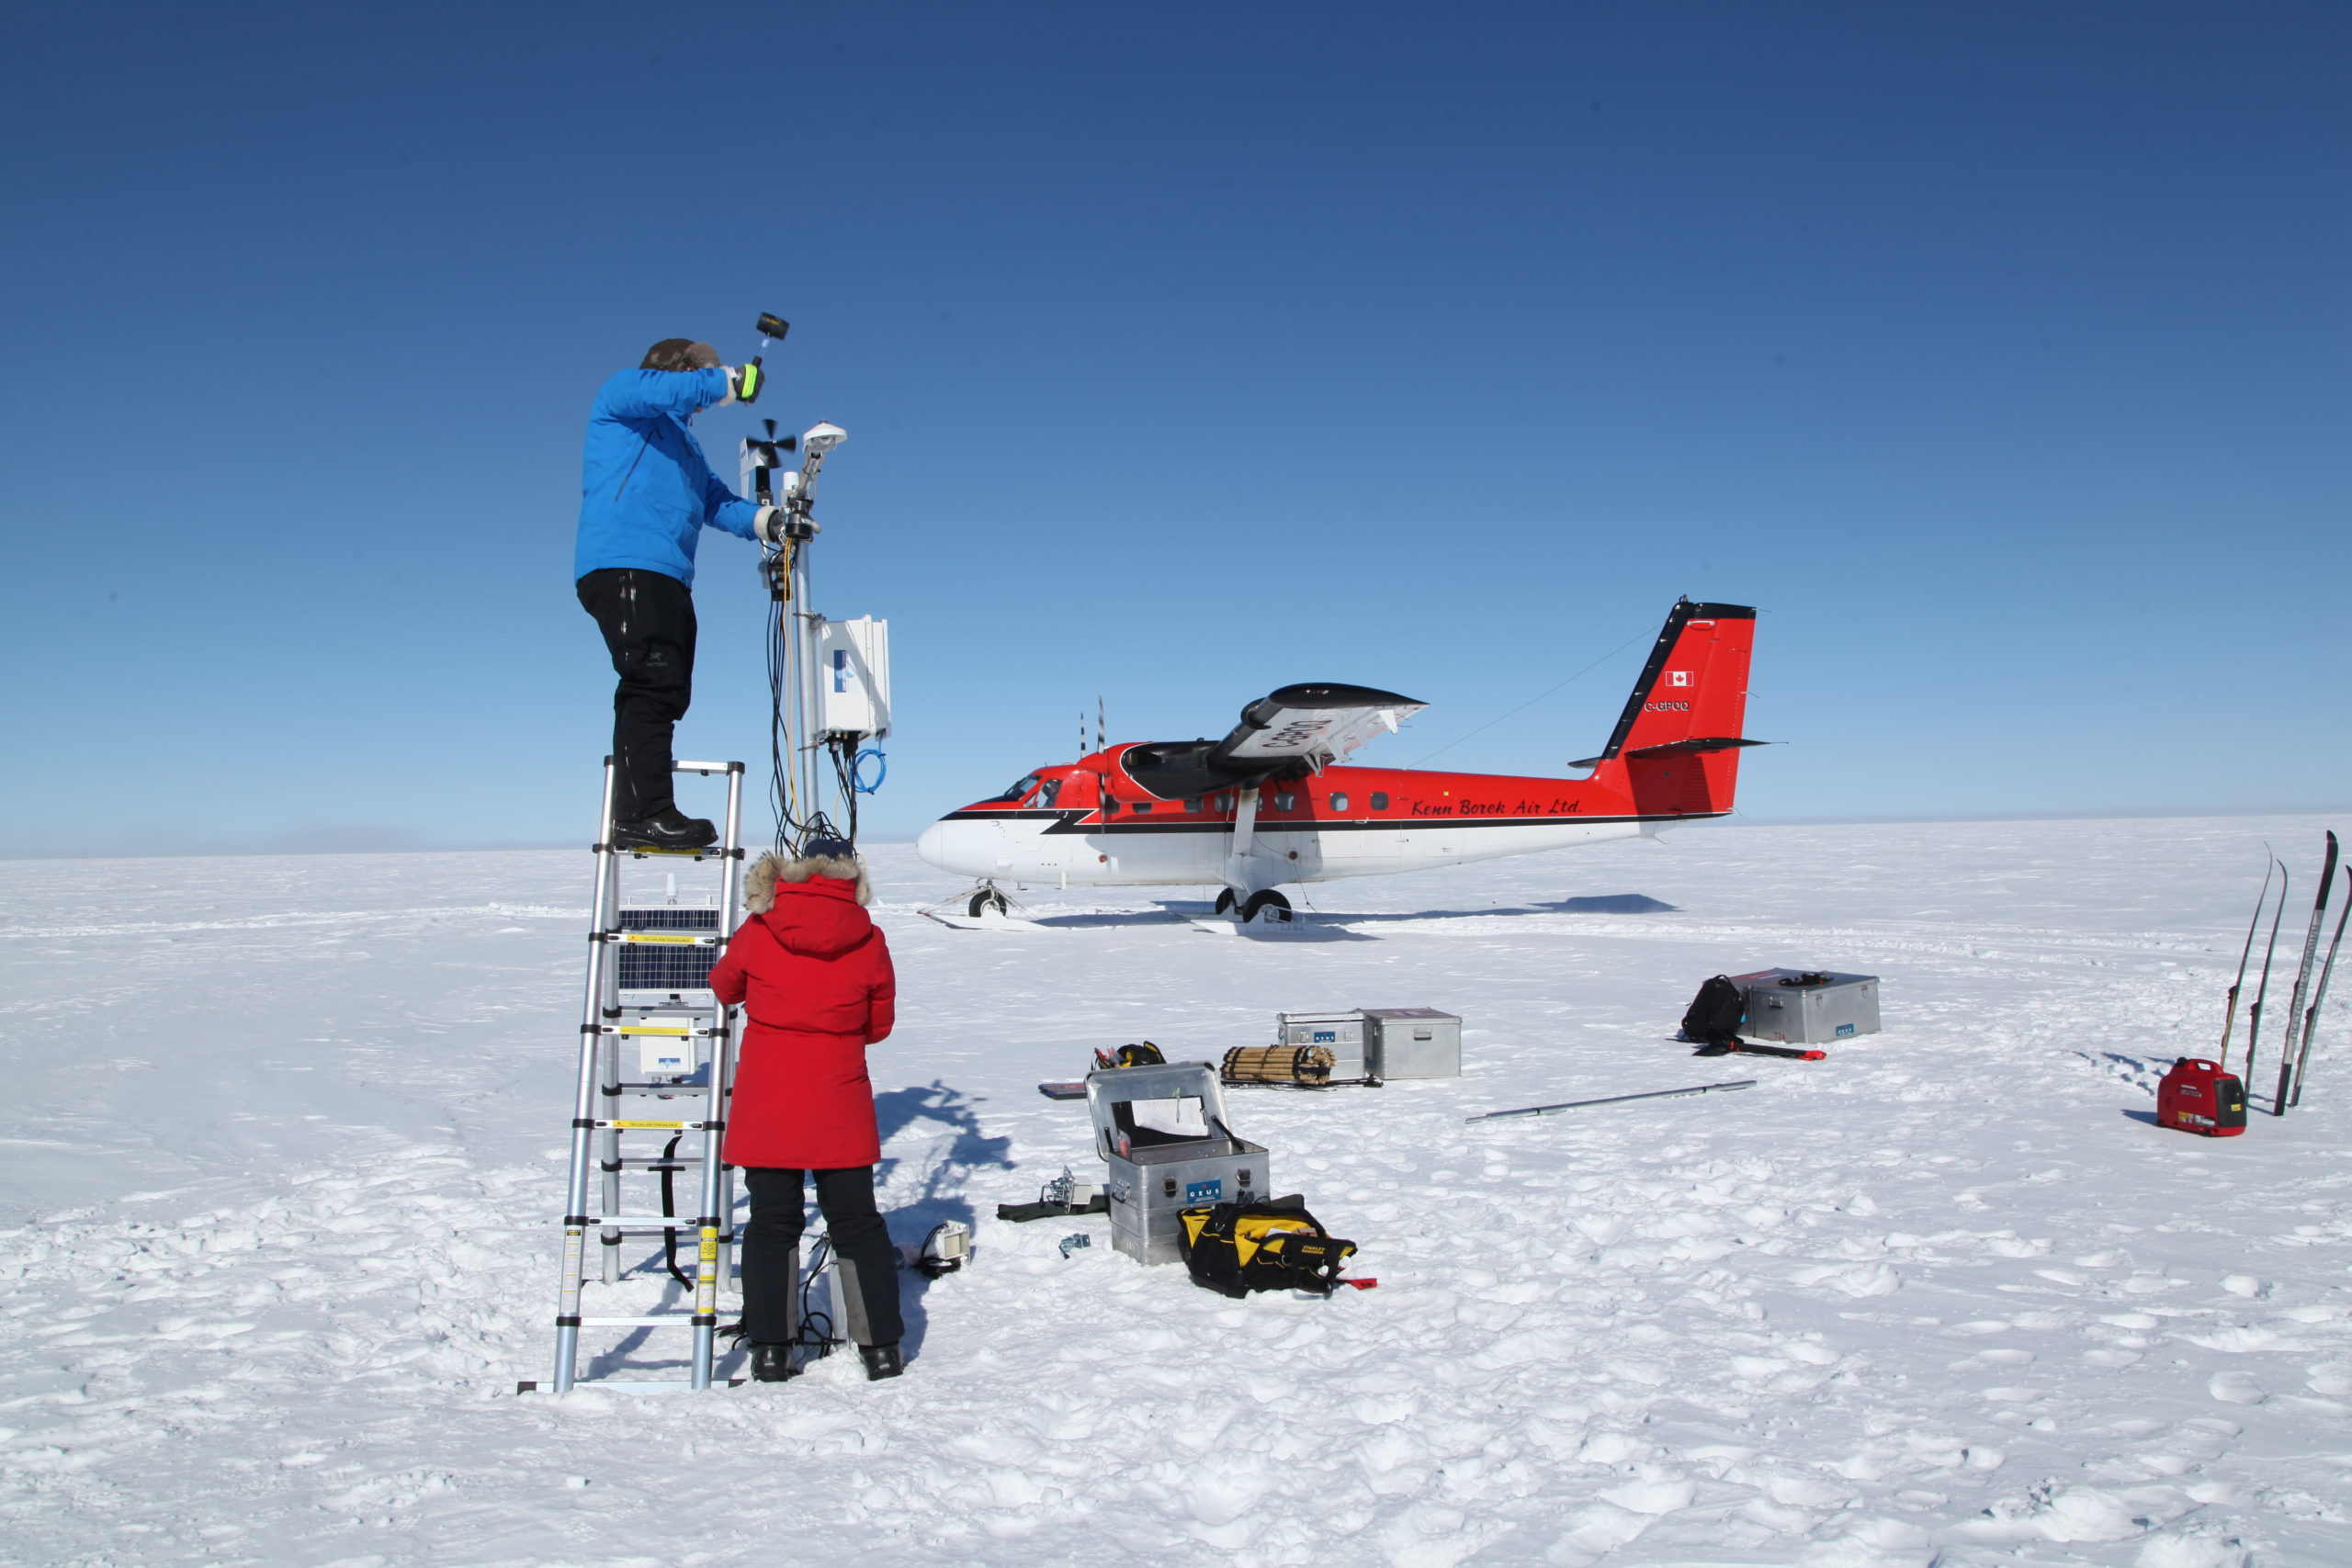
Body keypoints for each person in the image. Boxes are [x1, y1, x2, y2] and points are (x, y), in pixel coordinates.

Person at [707, 837, 906, 1382]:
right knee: (856, 1222)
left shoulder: (761, 926)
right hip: (838, 1096)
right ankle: (881, 1350)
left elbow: (724, 987)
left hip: (768, 1098)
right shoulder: (869, 937)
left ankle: (772, 1350)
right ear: (850, 876)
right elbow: (879, 1026)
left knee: (772, 1222)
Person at [574, 338, 786, 851]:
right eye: (699, 377)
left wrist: (767, 520)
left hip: (668, 576)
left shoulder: (684, 446)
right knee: (650, 682)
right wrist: (728, 382)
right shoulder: (625, 396)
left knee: (666, 689)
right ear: (684, 369)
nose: (703, 403)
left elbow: (715, 501)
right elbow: (666, 390)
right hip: (627, 563)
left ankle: (644, 809)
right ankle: (642, 814)